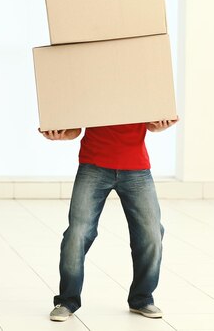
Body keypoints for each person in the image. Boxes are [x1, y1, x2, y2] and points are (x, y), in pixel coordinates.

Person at [39, 117, 179, 322]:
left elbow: (151, 124)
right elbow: (75, 129)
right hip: (93, 165)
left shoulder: (143, 85)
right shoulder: (89, 85)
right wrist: (59, 134)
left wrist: (161, 125)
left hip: (136, 168)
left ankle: (142, 298)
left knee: (151, 234)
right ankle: (67, 300)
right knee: (77, 233)